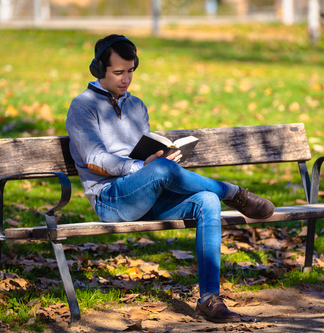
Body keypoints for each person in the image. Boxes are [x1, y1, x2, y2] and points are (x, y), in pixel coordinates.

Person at [66, 34, 275, 323]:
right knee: (162, 170)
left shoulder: (137, 105)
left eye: (130, 71)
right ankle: (233, 192)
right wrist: (144, 167)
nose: (126, 79)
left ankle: (209, 299)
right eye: (118, 73)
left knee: (207, 200)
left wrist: (162, 156)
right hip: (112, 200)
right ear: (99, 70)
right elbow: (94, 159)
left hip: (147, 194)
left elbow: (145, 149)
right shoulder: (82, 106)